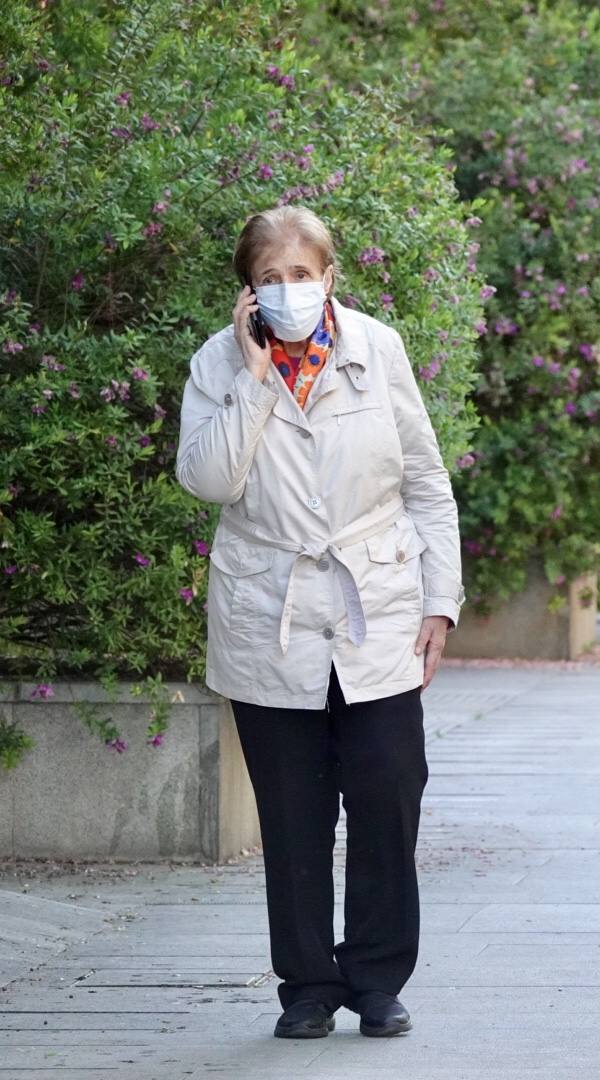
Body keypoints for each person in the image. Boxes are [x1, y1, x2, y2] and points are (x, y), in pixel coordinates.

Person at [176, 207, 464, 1040]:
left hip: (374, 605)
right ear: (247, 289)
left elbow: (424, 480)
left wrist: (440, 599)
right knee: (294, 811)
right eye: (270, 277)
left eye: (302, 274)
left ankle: (377, 979)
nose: (288, 290)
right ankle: (305, 985)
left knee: (387, 792)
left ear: (331, 277)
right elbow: (209, 480)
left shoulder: (379, 349)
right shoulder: (218, 362)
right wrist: (254, 381)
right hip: (267, 607)